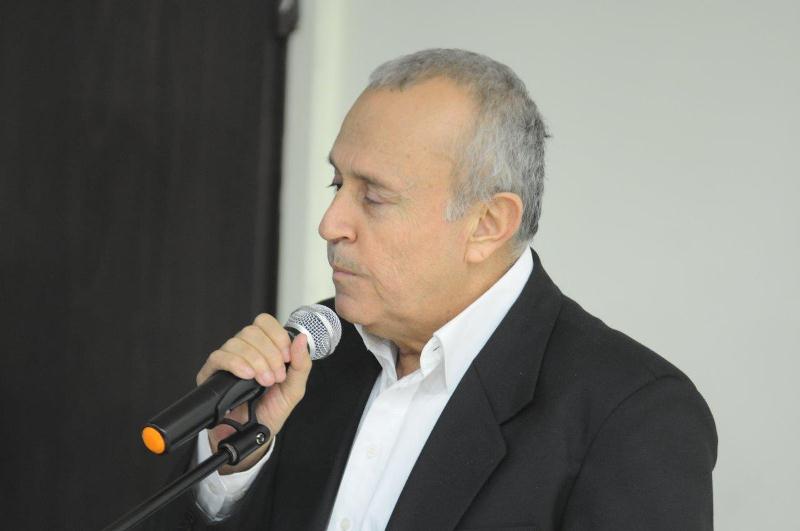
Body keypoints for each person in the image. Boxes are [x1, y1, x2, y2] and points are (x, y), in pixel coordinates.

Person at [172, 49, 717, 530]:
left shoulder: (632, 414)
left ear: (487, 225)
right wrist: (231, 466)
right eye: (338, 182)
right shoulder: (312, 356)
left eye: (374, 197)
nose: (330, 223)